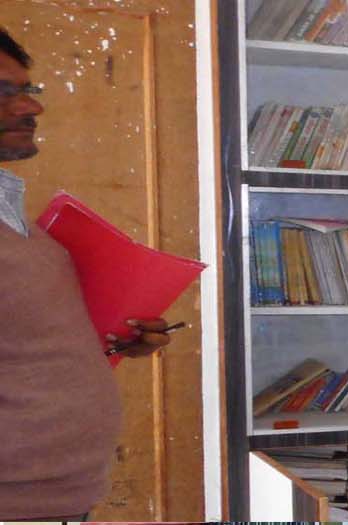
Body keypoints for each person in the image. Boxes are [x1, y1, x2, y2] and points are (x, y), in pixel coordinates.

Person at [1, 27, 179, 521]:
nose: (32, 107)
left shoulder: (17, 218)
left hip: (59, 501)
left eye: (27, 90)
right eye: (4, 92)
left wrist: (111, 338)